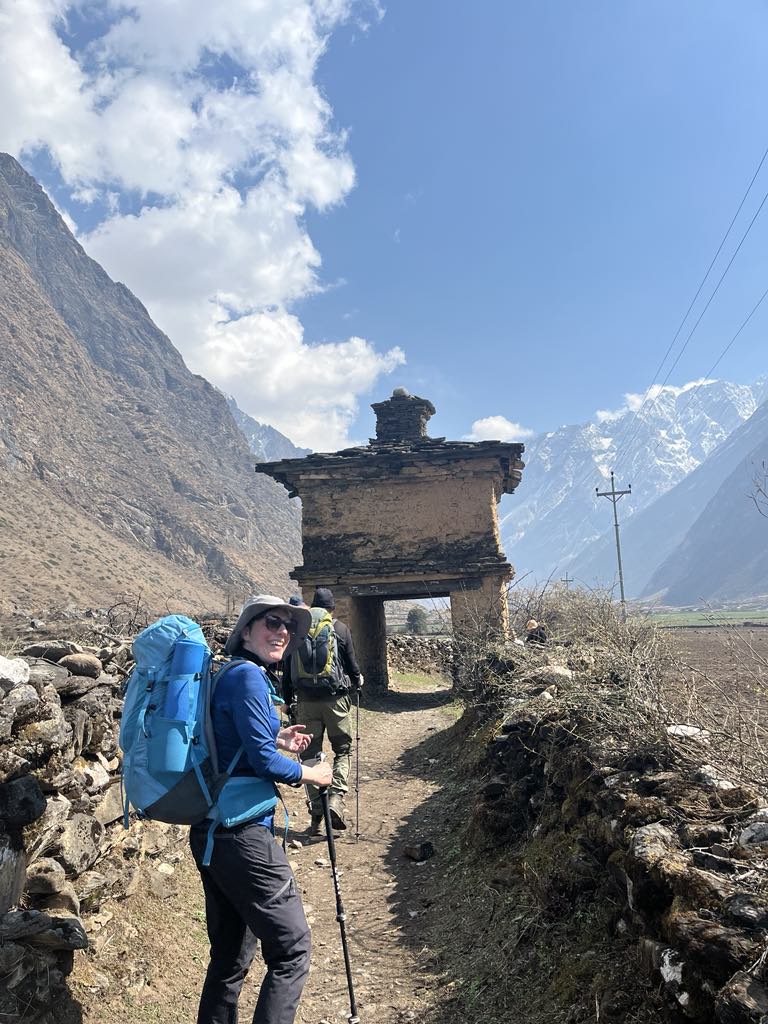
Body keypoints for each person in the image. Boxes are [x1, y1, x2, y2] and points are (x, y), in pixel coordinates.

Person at [189, 594, 332, 1024]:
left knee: (231, 958)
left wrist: (278, 738)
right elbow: (266, 764)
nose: (283, 632)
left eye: (288, 626)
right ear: (246, 631)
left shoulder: (225, 674)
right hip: (244, 835)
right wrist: (313, 774)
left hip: (212, 832)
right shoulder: (250, 677)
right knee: (292, 949)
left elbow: (237, 745)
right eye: (272, 622)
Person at [283, 587, 362, 834]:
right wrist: (357, 680)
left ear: (312, 605)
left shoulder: (298, 630)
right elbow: (351, 664)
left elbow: (287, 671)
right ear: (332, 608)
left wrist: (287, 701)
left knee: (310, 757)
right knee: (343, 751)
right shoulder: (339, 629)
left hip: (306, 702)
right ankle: (336, 798)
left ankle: (317, 815)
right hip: (335, 701)